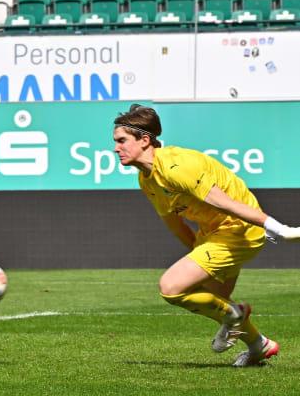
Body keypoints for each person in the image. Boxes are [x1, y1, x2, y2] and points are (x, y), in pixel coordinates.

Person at [113, 103, 300, 367]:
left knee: (171, 287)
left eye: (122, 141)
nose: (116, 148)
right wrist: (199, 256)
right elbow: (173, 221)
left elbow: (226, 203)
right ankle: (259, 346)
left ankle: (233, 316)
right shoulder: (146, 179)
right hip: (213, 234)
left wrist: (279, 229)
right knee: (211, 298)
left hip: (238, 230)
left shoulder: (177, 166)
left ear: (145, 140)